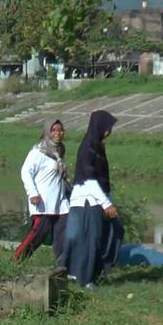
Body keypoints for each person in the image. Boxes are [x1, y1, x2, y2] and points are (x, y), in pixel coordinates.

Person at [61, 110, 121, 290]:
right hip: (88, 201)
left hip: (93, 200)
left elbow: (100, 179)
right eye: (108, 127)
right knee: (89, 241)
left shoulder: (96, 146)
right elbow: (89, 180)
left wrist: (107, 199)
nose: (109, 131)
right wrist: (106, 203)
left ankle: (86, 273)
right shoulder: (88, 147)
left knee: (110, 232)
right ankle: (85, 279)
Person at [14, 119, 70, 262]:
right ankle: (17, 260)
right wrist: (32, 193)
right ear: (47, 132)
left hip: (60, 202)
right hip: (43, 202)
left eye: (60, 130)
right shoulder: (38, 151)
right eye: (54, 130)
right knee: (38, 234)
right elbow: (26, 172)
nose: (58, 133)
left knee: (64, 233)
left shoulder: (59, 151)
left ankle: (62, 265)